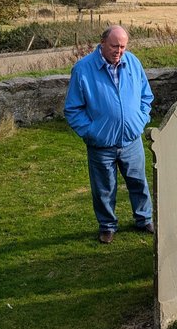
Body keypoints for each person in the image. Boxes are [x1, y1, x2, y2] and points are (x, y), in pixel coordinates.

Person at [64, 25, 154, 244]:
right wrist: (92, 132)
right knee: (104, 188)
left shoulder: (133, 62)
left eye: (123, 46)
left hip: (131, 140)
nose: (119, 51)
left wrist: (140, 121)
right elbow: (73, 109)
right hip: (101, 144)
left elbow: (146, 97)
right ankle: (107, 225)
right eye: (115, 46)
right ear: (102, 43)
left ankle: (144, 219)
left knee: (138, 183)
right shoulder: (83, 69)